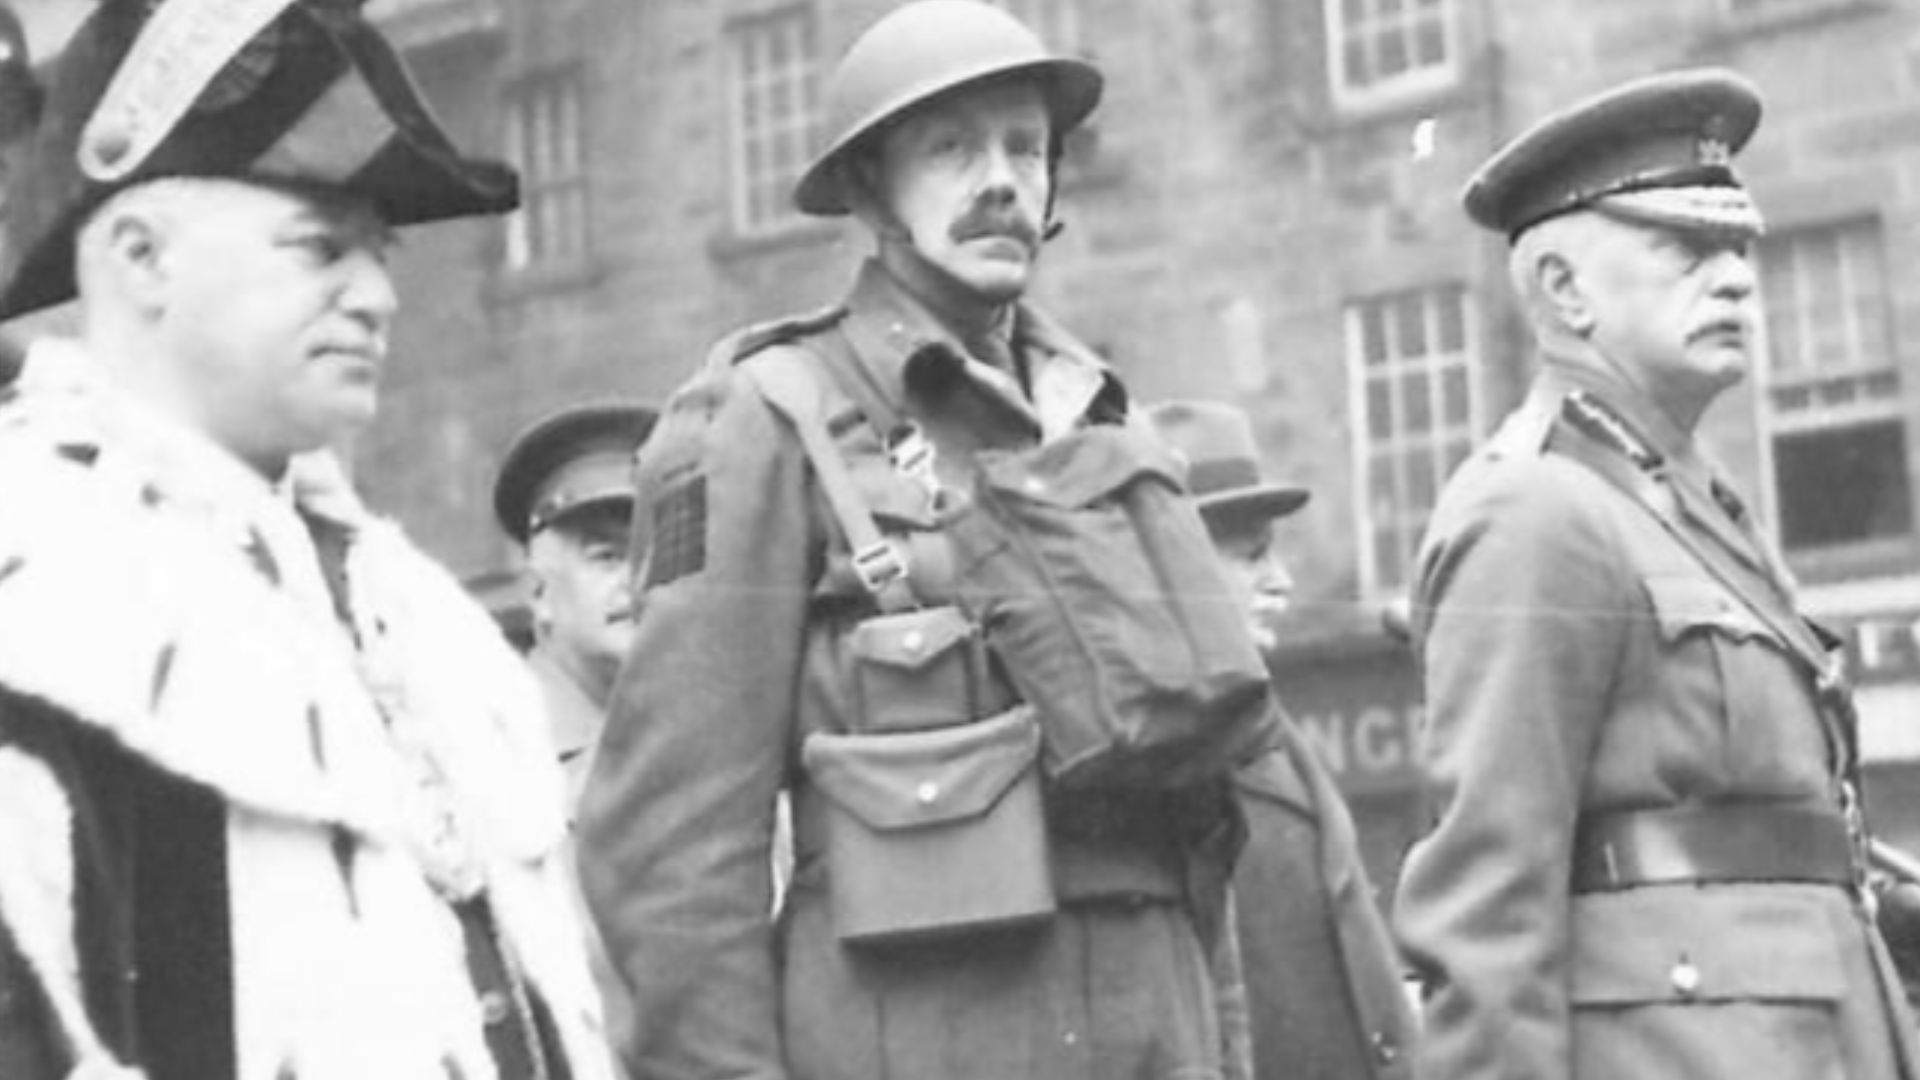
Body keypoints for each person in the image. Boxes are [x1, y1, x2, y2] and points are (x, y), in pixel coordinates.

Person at [578, 3, 1271, 1078]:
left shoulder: (1106, 426)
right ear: (870, 188)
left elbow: (1202, 839)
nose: (1000, 179)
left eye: (1026, 147)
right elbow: (670, 854)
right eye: (951, 147)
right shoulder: (769, 417)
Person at [0, 2, 613, 1077]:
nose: (376, 295)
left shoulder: (420, 617)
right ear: (143, 259)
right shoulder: (36, 589)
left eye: (380, 255)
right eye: (316, 247)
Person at [1392, 68, 1920, 1079]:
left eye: (1736, 249)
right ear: (1563, 290)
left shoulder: (1695, 502)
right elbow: (1486, 920)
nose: (1733, 278)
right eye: (1684, 249)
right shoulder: (1536, 511)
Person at [1148, 400, 1416, 1080]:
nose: (1283, 582)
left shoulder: (1259, 724)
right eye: (1253, 556)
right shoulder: (1157, 756)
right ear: (1173, 566)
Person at [493, 402, 658, 805]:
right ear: (537, 591)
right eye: (607, 557)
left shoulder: (713, 739)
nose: (637, 582)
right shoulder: (489, 744)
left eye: (652, 555)